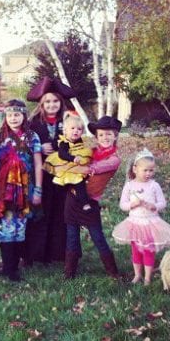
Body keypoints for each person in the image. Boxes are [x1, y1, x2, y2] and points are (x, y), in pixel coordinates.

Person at [24, 76, 76, 265]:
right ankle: (37, 253)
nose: (52, 104)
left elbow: (77, 142)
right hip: (41, 175)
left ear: (60, 103)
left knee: (60, 212)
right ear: (41, 103)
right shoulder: (33, 122)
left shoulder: (68, 120)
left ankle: (57, 252)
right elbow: (25, 145)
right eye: (47, 101)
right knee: (40, 212)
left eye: (55, 101)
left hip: (63, 174)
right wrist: (38, 148)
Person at [63, 116, 123, 280]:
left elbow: (89, 169)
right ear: (96, 137)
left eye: (109, 134)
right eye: (101, 135)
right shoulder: (90, 149)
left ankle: (113, 271)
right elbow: (73, 149)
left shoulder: (114, 159)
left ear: (115, 136)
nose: (105, 138)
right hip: (73, 198)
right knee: (71, 235)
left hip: (91, 201)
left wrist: (70, 166)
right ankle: (69, 272)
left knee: (97, 236)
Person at [112, 148, 170, 285]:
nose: (148, 173)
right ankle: (137, 274)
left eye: (151, 170)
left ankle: (147, 277)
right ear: (135, 169)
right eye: (145, 170)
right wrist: (132, 205)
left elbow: (162, 202)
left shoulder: (154, 185)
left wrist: (154, 206)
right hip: (134, 222)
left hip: (150, 223)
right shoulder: (129, 185)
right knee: (136, 251)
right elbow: (122, 204)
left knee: (148, 251)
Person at [0, 99, 43, 282]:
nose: (13, 118)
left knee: (20, 228)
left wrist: (38, 190)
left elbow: (38, 165)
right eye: (10, 115)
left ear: (24, 116)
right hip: (4, 190)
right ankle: (8, 267)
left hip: (25, 189)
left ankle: (17, 264)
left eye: (17, 114)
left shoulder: (32, 137)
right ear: (5, 116)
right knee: (6, 227)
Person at [43, 111, 93, 209]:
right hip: (64, 163)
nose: (76, 131)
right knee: (59, 184)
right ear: (65, 131)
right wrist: (73, 158)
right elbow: (62, 154)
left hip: (76, 165)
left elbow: (85, 152)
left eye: (79, 129)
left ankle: (84, 202)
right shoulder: (64, 142)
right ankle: (57, 204)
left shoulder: (81, 142)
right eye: (72, 128)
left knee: (80, 182)